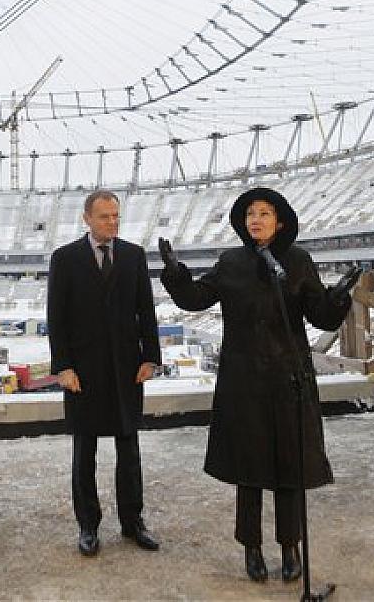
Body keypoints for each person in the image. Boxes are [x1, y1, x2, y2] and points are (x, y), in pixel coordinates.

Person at [159, 187, 358, 584]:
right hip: (243, 381)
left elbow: (320, 317)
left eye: (265, 213)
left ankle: (290, 546)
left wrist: (337, 297)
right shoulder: (231, 262)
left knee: (290, 466)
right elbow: (196, 299)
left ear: (279, 222)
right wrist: (177, 274)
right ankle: (251, 547)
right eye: (251, 213)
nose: (256, 220)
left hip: (288, 378)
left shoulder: (297, 261)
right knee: (248, 469)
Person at [47, 189, 162, 557]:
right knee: (85, 452)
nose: (112, 222)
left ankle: (133, 522)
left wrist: (151, 357)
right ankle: (88, 525)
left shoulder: (133, 255)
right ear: (87, 219)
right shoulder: (65, 258)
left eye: (116, 216)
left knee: (130, 451)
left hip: (127, 369)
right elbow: (56, 317)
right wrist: (63, 367)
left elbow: (146, 310)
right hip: (83, 372)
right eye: (104, 217)